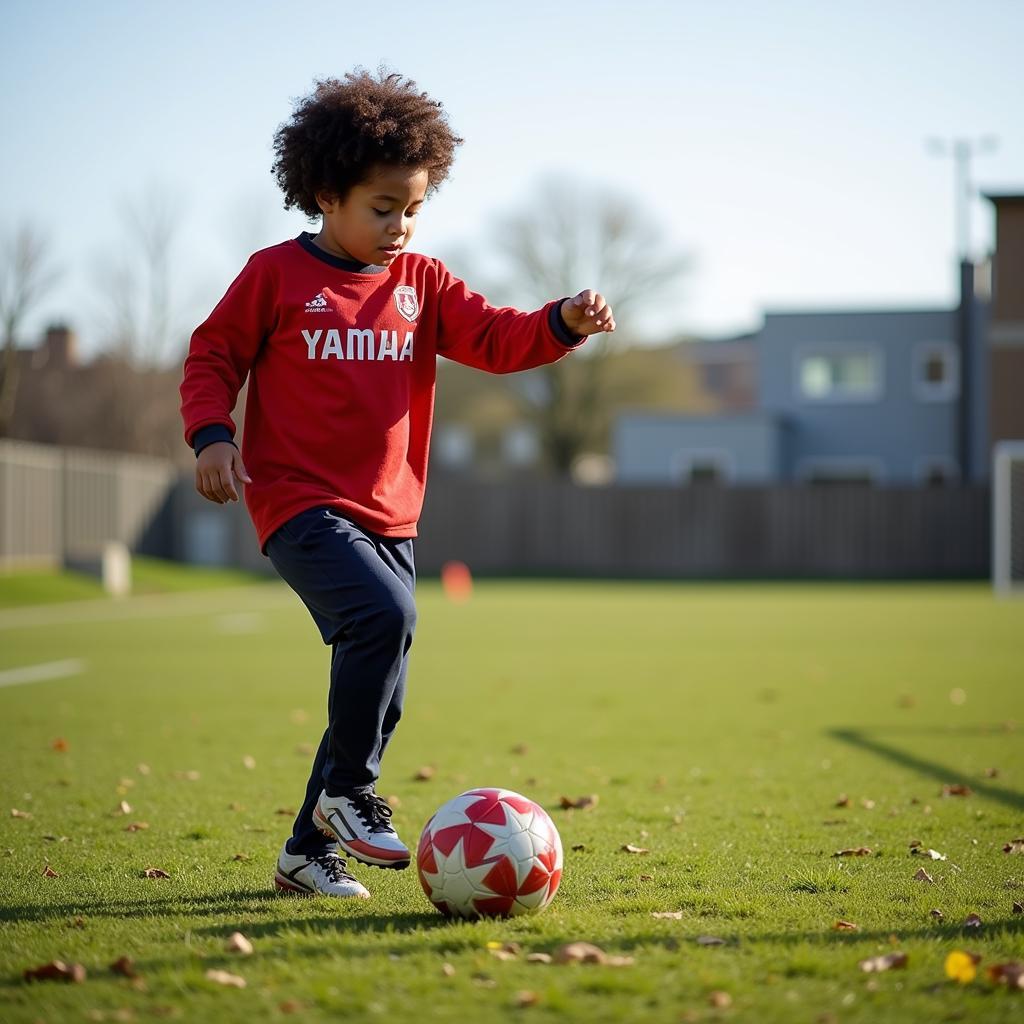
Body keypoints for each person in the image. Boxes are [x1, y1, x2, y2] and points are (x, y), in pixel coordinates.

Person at [179, 69, 615, 900]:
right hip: (297, 502)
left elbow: (494, 338)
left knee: (378, 690)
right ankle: (349, 794)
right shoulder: (275, 276)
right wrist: (211, 435)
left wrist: (561, 321)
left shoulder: (423, 285)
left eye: (414, 209)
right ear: (325, 193)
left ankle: (308, 851)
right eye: (383, 207)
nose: (400, 227)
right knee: (385, 617)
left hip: (393, 518)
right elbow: (211, 357)